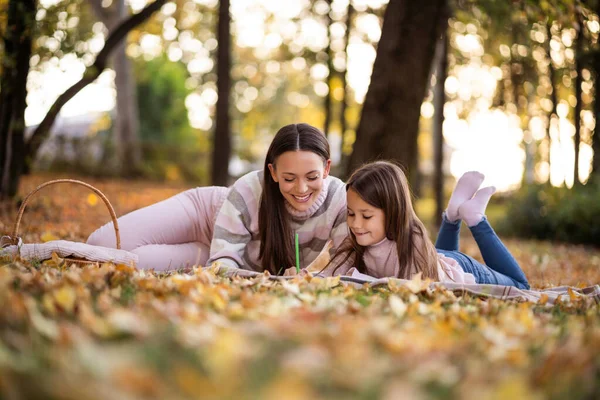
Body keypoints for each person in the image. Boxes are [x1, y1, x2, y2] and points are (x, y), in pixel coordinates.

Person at [87, 123, 348, 273]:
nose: (301, 189)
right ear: (273, 172)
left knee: (112, 261)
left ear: (326, 168)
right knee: (101, 242)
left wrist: (299, 278)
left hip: (222, 254)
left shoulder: (340, 200)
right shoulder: (249, 188)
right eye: (289, 178)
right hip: (205, 215)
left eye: (312, 177)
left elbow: (341, 266)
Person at [321, 161, 530, 289]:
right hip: (434, 257)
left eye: (366, 216)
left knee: (521, 285)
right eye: (350, 213)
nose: (356, 224)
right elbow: (327, 275)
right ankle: (452, 215)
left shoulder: (413, 239)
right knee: (438, 254)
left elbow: (411, 289)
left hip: (462, 268)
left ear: (393, 212)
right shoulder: (355, 242)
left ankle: (476, 219)